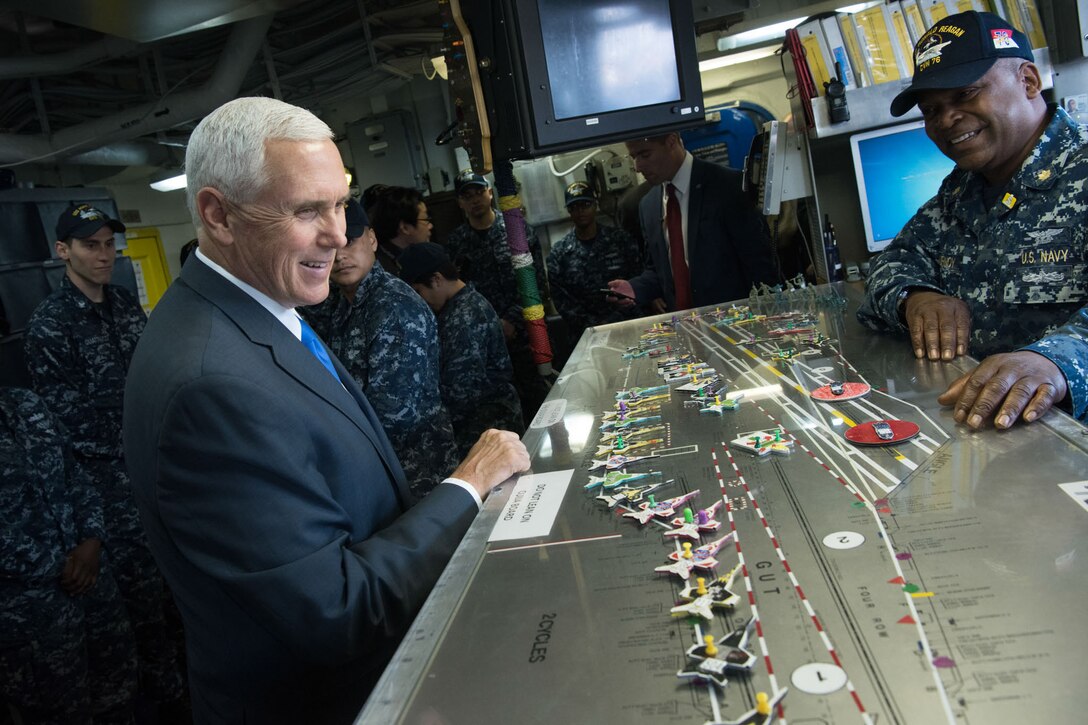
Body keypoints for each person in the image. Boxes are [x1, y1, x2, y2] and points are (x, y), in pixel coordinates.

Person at [122, 97, 528, 724]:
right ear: (217, 214)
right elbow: (337, 608)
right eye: (305, 210)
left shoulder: (263, 313)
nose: (338, 234)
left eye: (339, 203)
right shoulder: (211, 384)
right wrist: (467, 486)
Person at [858, 10, 1088, 429]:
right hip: (992, 437)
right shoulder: (961, 191)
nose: (946, 120)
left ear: (1029, 81)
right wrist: (917, 298)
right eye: (932, 110)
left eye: (965, 94)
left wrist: (1051, 362)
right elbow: (891, 263)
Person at [24, 203, 187, 717]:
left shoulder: (122, 304)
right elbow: (65, 427)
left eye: (108, 244)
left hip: (158, 472)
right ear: (62, 252)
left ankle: (192, 693)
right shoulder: (50, 327)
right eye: (90, 245)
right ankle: (166, 704)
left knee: (178, 593)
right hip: (109, 489)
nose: (103, 254)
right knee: (141, 612)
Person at [302, 198, 458, 498]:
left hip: (417, 477)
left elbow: (394, 415)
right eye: (328, 247)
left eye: (349, 241)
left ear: (372, 240)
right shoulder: (339, 303)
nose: (339, 256)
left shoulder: (394, 306)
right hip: (381, 475)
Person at [1, 386, 139, 725]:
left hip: (92, 581)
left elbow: (74, 472)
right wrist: (56, 565)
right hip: (30, 612)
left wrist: (93, 538)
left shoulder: (24, 402)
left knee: (120, 696)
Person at [607, 132, 779, 312]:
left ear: (671, 142)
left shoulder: (728, 187)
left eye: (645, 155)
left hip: (738, 324)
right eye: (633, 157)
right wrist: (635, 288)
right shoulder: (647, 206)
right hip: (686, 327)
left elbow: (760, 267)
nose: (638, 166)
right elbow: (660, 271)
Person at [398, 242, 524, 457]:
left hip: (488, 427)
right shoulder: (461, 306)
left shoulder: (463, 317)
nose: (420, 301)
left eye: (419, 291)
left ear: (437, 279)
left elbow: (462, 390)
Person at [445, 170, 550, 423]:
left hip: (525, 335)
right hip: (483, 346)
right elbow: (457, 296)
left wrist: (512, 320)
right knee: (500, 417)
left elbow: (537, 283)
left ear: (490, 193)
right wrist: (493, 325)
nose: (474, 200)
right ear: (460, 202)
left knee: (541, 407)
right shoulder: (455, 243)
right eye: (466, 195)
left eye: (479, 192)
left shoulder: (516, 230)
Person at [547, 181, 642, 345]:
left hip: (627, 326)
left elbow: (637, 279)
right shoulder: (559, 253)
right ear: (569, 211)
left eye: (585, 204)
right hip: (585, 336)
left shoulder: (620, 240)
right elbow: (562, 301)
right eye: (574, 207)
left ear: (595, 205)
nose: (580, 211)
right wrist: (594, 326)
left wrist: (613, 320)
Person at [367, 185, 432, 274]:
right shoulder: (384, 272)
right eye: (426, 220)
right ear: (405, 228)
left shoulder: (418, 255)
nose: (430, 226)